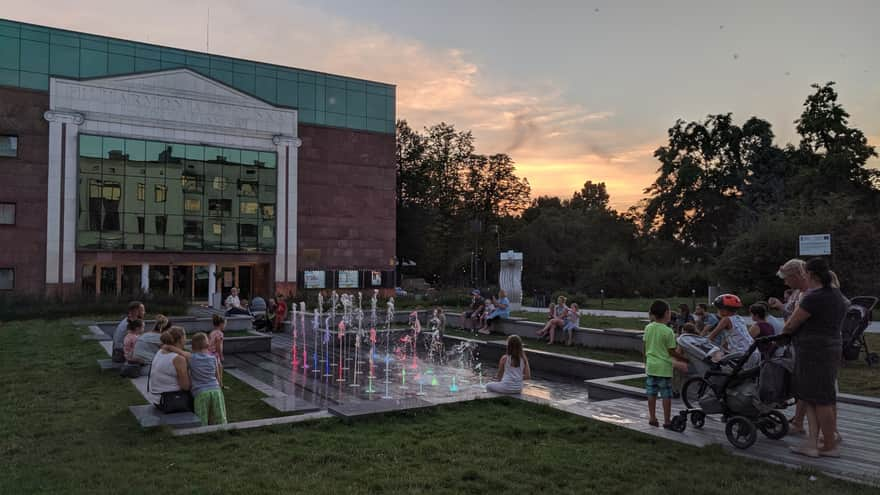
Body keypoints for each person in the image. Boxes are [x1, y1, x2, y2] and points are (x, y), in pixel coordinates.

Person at [783, 258, 848, 458]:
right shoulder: (837, 295)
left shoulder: (813, 298)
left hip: (812, 351)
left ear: (810, 275)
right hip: (832, 348)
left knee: (819, 399)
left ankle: (828, 445)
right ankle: (813, 443)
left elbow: (790, 325)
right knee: (817, 398)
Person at [643, 300, 688, 428]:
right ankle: (667, 421)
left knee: (651, 393)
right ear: (667, 313)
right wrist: (685, 359)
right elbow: (671, 352)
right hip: (664, 368)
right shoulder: (668, 331)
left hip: (651, 366)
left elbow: (645, 347)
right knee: (666, 395)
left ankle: (652, 418)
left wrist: (645, 362)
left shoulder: (648, 327)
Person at [148, 327, 192, 412]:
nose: (186, 340)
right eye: (185, 337)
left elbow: (167, 347)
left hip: (156, 398)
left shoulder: (161, 350)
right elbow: (185, 387)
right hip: (169, 400)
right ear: (180, 339)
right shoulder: (178, 359)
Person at [189, 332, 228, 426]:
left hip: (200, 392)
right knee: (219, 417)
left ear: (193, 346)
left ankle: (203, 433)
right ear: (207, 345)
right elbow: (217, 377)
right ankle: (222, 430)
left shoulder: (191, 358)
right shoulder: (213, 358)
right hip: (216, 390)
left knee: (202, 417)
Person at [706, 294, 756, 366]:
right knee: (721, 351)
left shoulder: (726, 320)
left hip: (742, 355)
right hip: (753, 352)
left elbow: (711, 336)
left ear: (724, 310)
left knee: (711, 357)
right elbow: (734, 336)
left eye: (718, 309)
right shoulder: (740, 318)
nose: (717, 311)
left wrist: (700, 341)